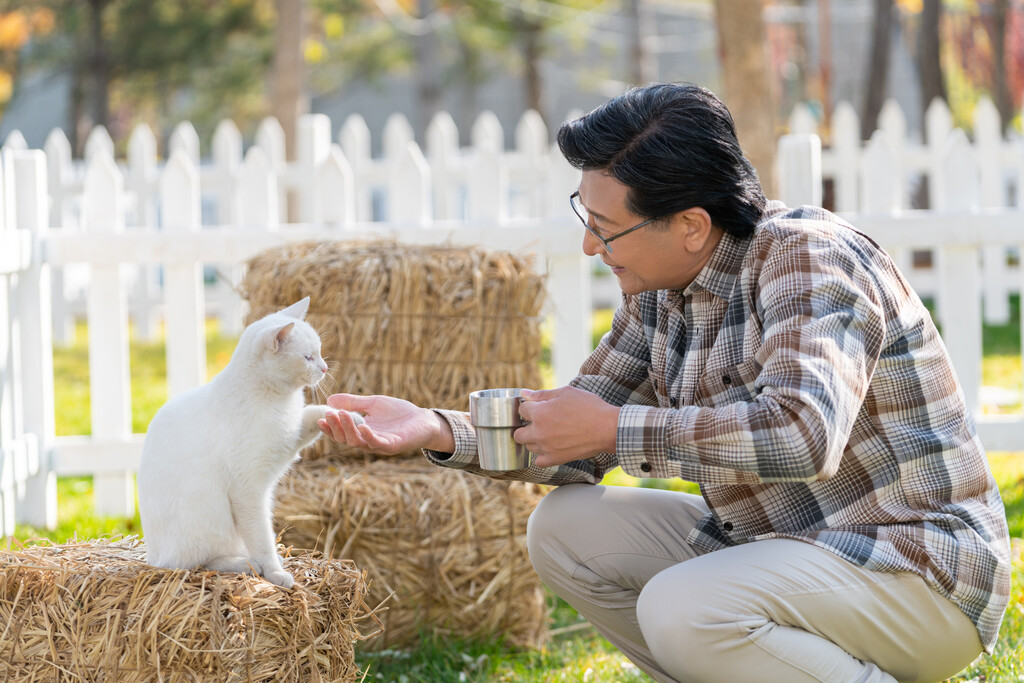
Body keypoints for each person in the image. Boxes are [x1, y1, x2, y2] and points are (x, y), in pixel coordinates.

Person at [318, 83, 1010, 683]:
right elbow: (576, 433)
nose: (591, 245)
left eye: (607, 228)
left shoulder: (808, 258)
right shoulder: (659, 293)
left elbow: (805, 431)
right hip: (785, 553)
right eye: (585, 219)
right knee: (564, 528)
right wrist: (436, 427)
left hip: (918, 572)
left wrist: (618, 430)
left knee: (682, 607)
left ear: (689, 225)